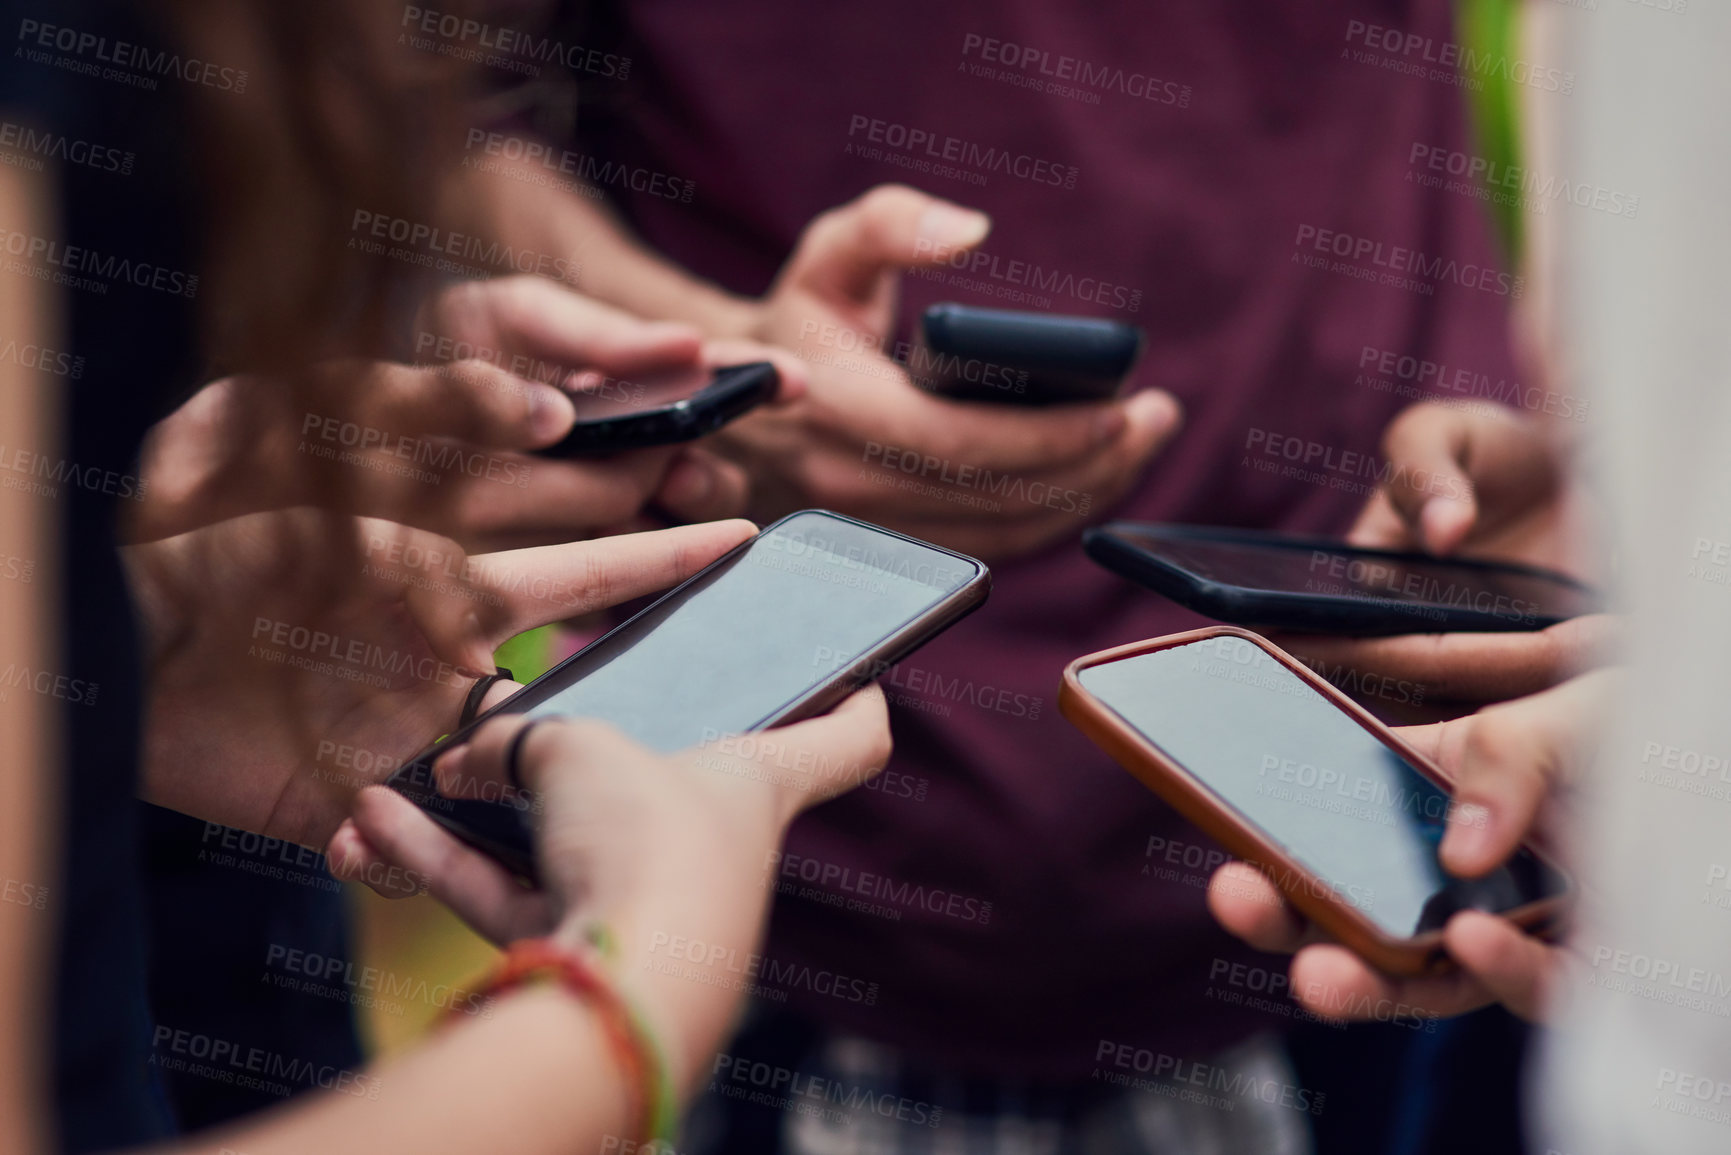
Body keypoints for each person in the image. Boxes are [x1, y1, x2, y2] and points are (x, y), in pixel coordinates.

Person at [441, 1, 1573, 1148]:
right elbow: (428, 96)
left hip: (1419, 725)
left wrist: (1590, 443)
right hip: (805, 859)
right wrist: (730, 372)